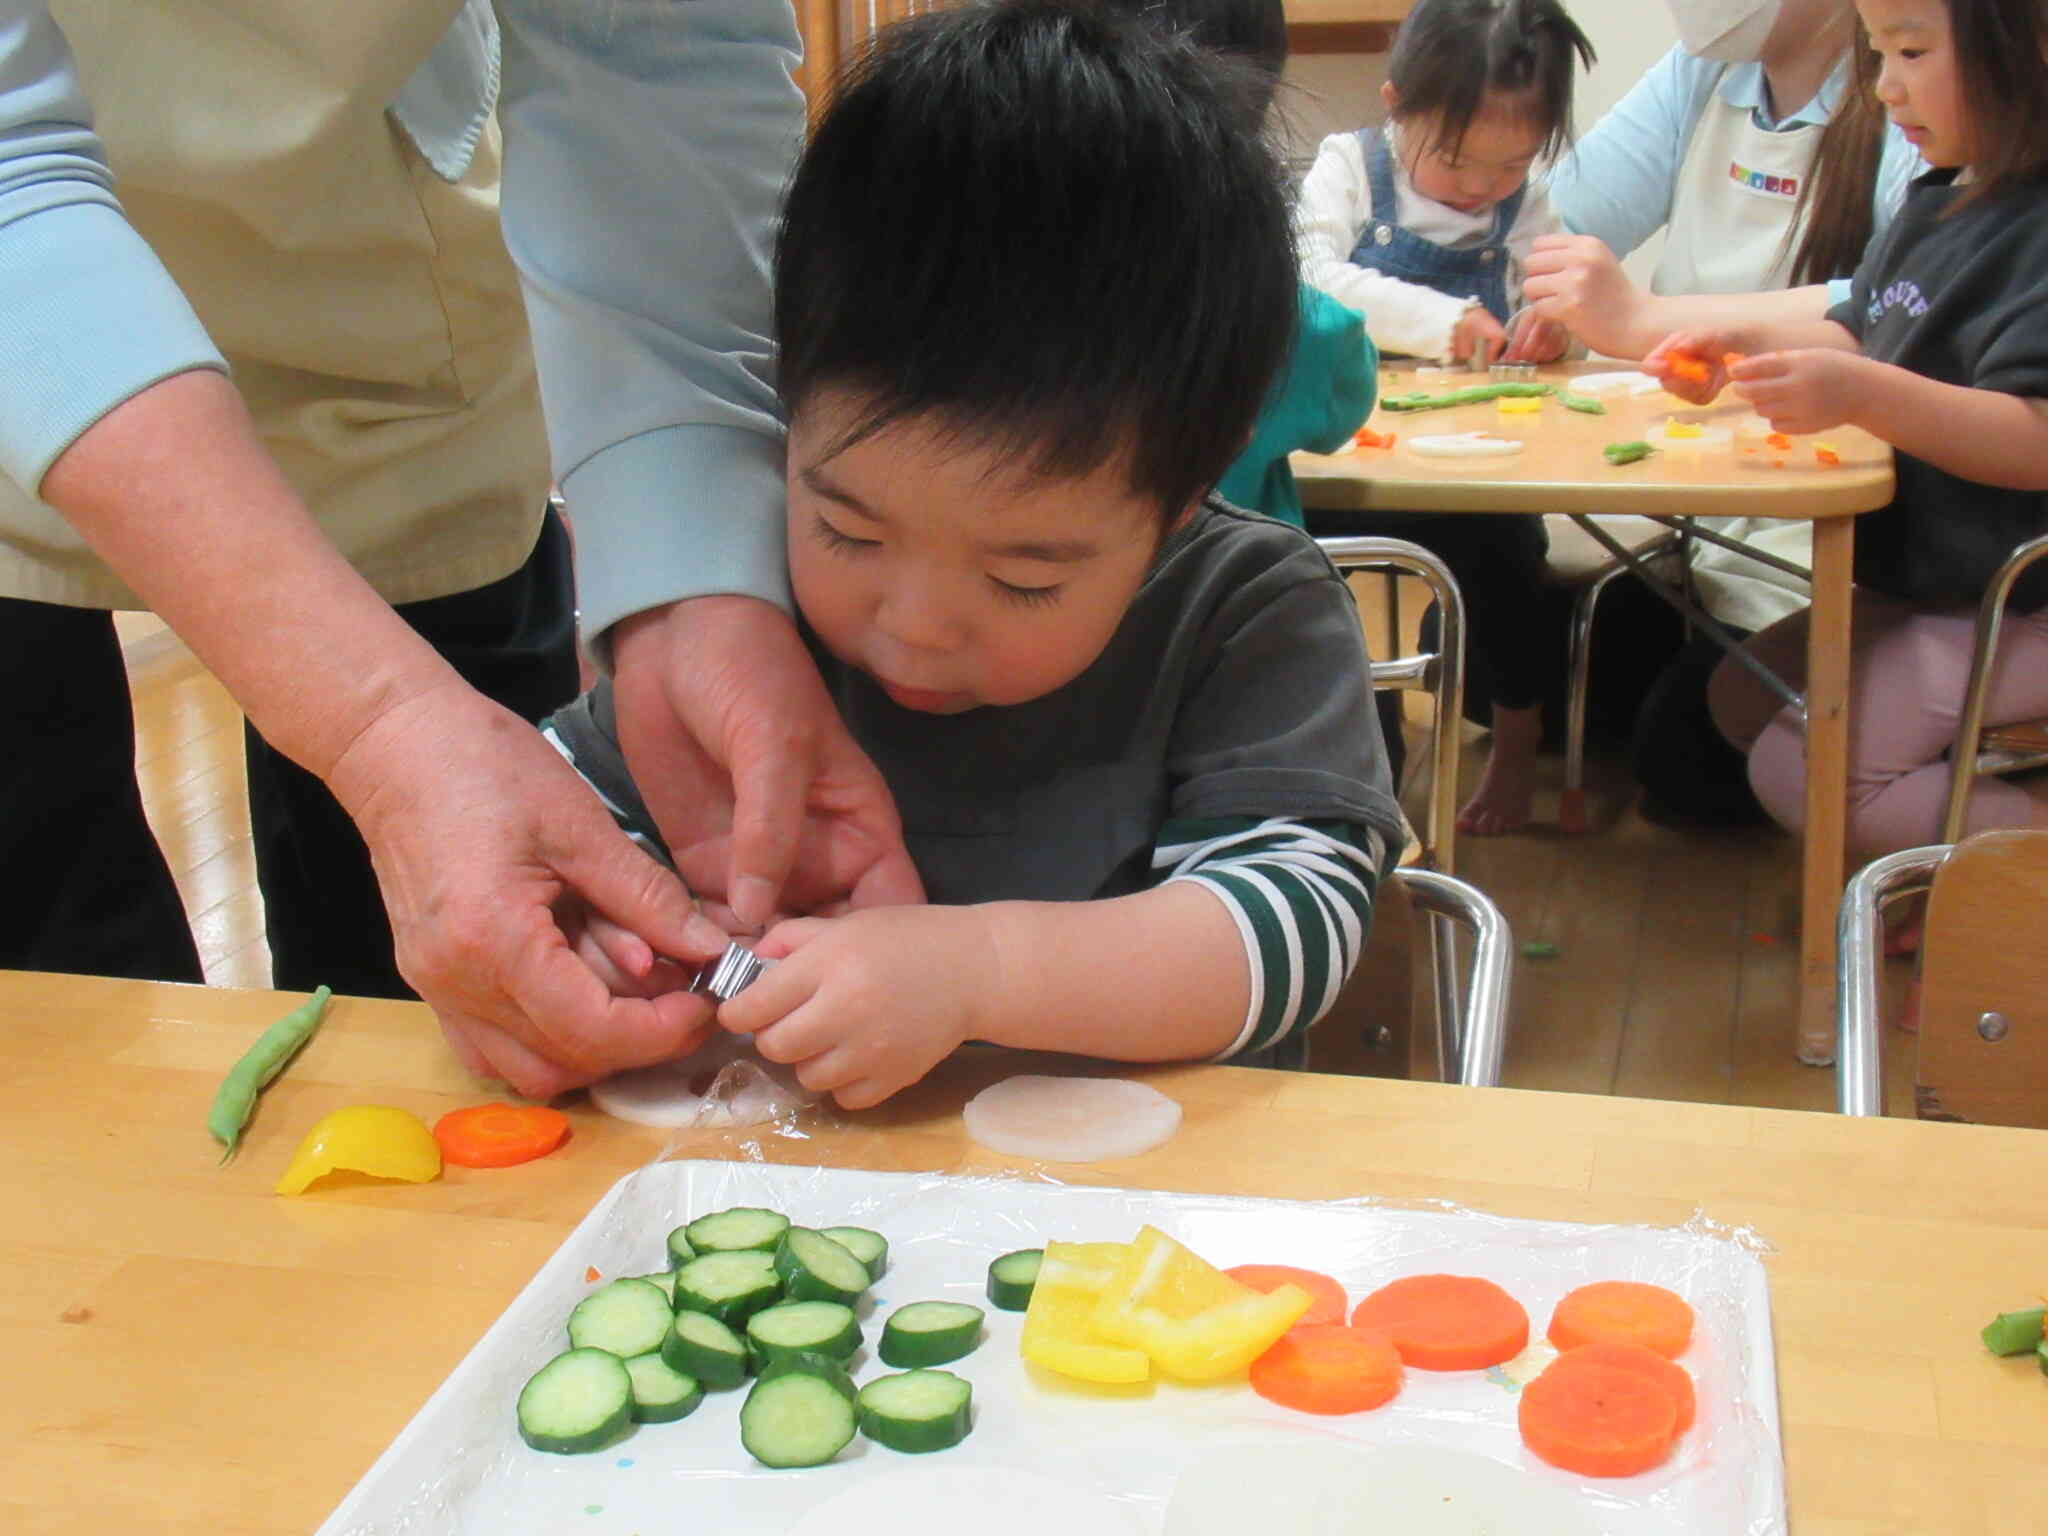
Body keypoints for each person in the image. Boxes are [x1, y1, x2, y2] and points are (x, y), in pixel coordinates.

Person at [0, 0, 918, 1098]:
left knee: (461, 987)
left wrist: (691, 594)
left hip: (380, 287)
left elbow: (658, 51)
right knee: (52, 996)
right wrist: (382, 729)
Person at [545, 0, 1406, 1108]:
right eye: (848, 530)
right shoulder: (746, 594)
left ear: (1184, 494)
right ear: (781, 407)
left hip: (1142, 1232)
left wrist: (976, 971)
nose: (910, 621)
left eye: (1022, 579)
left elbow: (1292, 924)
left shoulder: (1243, 613)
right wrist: (605, 920)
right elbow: (577, 797)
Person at [1649, 0, 2048, 881]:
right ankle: (1944, 874)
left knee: (1806, 773)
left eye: (1911, 51)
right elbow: (1864, 329)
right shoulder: (1944, 194)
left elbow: (2035, 438)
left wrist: (1863, 394)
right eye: (1877, 53)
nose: (1885, 84)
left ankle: (2013, 888)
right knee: (1743, 695)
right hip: (1938, 583)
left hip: (2021, 600)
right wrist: (1750, 350)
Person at [1518, 0, 1924, 826]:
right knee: (1504, 673)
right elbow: (1555, 218)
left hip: (1826, 523)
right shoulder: (1705, 74)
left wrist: (1641, 322)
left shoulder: (1904, 87)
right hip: (1703, 502)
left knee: (1684, 767)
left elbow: (1897, 301)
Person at [1294, 0, 1595, 834]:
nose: (1482, 189)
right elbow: (1314, 276)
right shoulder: (1349, 166)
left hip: (1475, 454)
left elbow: (1552, 285)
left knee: (1505, 568)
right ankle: (1364, 748)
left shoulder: (1523, 203)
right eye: (1458, 162)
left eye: (1512, 167)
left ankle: (1515, 737)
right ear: (1396, 107)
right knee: (1312, 582)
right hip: (1347, 445)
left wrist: (1551, 321)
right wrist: (1438, 320)